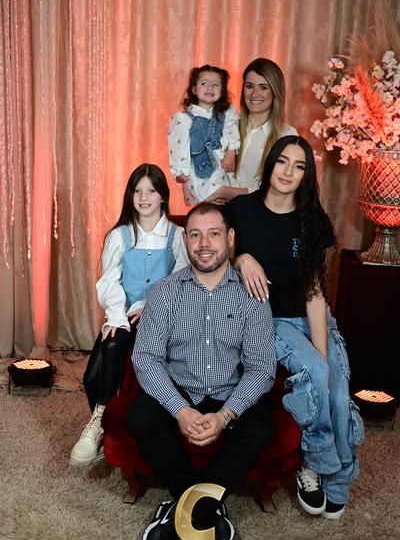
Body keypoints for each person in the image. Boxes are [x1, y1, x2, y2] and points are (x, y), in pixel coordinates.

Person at [225, 135, 364, 521]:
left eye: (299, 166)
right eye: (283, 161)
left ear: (306, 175)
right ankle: (318, 464)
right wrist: (243, 258)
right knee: (317, 371)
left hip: (310, 315)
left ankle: (335, 478)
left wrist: (322, 354)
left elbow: (315, 292)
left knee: (336, 386)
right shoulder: (242, 210)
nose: (288, 171)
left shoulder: (312, 220)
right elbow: (218, 255)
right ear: (270, 163)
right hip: (268, 320)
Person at [128, 203, 276, 540]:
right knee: (141, 417)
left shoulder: (251, 294)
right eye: (195, 235)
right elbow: (145, 357)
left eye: (213, 234)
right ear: (186, 240)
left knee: (261, 427)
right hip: (180, 386)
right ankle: (208, 508)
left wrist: (225, 416)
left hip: (228, 389)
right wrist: (179, 410)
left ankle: (181, 512)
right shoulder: (165, 292)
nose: (204, 243)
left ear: (230, 238)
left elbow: (262, 367)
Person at [70, 163, 188, 466]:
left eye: (151, 191)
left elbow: (180, 279)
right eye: (137, 191)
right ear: (130, 195)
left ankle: (102, 419)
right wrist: (116, 316)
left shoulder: (177, 236)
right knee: (95, 370)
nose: (144, 197)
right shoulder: (119, 235)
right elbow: (109, 280)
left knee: (120, 349)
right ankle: (100, 422)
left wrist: (151, 304)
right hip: (124, 312)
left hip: (160, 315)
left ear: (163, 195)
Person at [210, 57, 297, 203]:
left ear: (275, 91)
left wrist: (223, 192)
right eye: (249, 86)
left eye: (263, 87)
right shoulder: (226, 125)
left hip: (260, 214)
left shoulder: (287, 135)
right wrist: (208, 194)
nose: (254, 94)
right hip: (219, 212)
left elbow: (276, 190)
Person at [168, 65, 241, 205]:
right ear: (194, 89)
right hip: (198, 168)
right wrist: (180, 171)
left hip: (221, 166)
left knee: (225, 198)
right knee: (207, 197)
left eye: (216, 85)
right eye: (204, 83)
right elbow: (178, 144)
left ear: (222, 91)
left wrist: (231, 151)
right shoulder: (184, 118)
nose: (210, 88)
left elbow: (231, 131)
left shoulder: (227, 114)